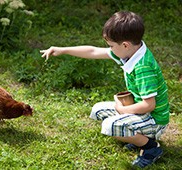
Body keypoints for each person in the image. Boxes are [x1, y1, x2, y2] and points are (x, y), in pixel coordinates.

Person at [40, 11, 170, 168]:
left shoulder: (143, 67)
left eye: (111, 46)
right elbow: (93, 51)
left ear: (125, 45)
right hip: (142, 112)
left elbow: (149, 105)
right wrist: (63, 50)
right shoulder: (130, 52)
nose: (109, 49)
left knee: (111, 125)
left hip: (155, 120)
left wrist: (122, 109)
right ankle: (138, 137)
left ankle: (150, 147)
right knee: (98, 110)